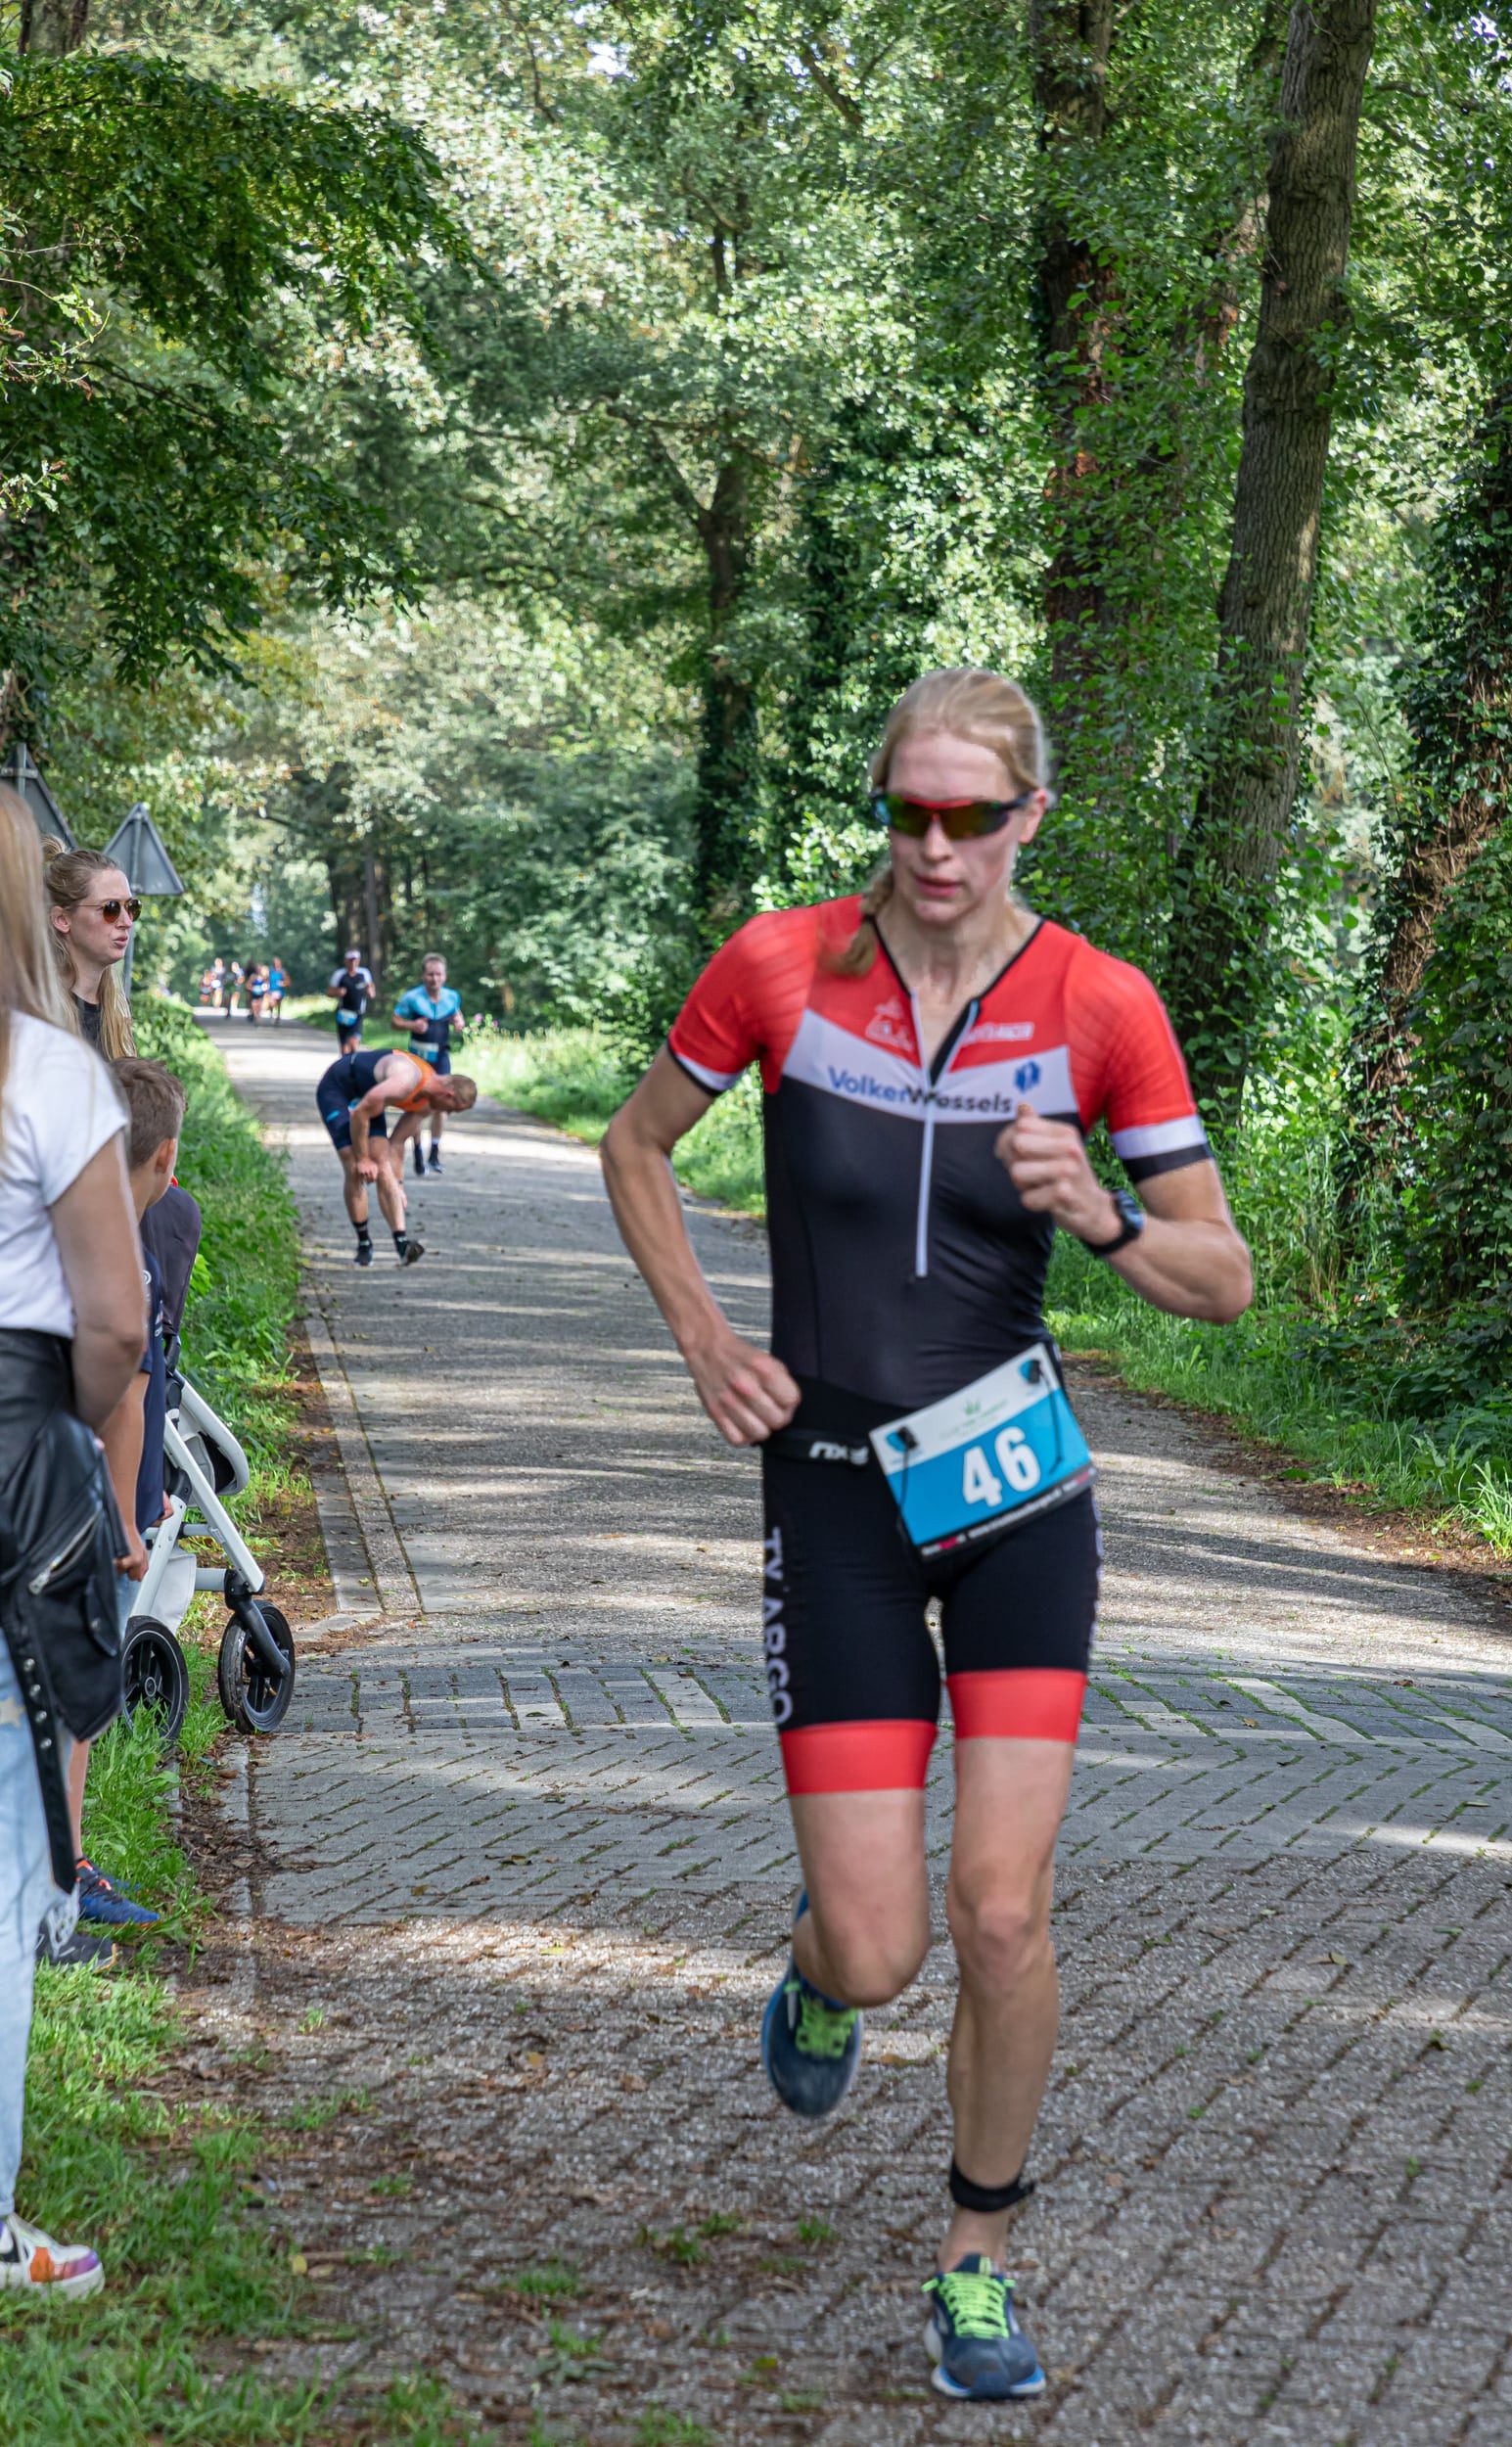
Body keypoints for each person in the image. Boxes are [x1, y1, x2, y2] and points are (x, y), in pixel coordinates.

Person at [599, 668, 1253, 2404]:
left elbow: (1221, 1277)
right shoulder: (780, 968)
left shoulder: (1101, 1005)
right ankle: (816, 1982)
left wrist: (1101, 1212)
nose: (939, 846)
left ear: (1032, 815)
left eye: (975, 815)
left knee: (1003, 1913)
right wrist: (703, 1337)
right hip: (833, 1492)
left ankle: (977, 2253)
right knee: (882, 1944)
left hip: (1017, 1496)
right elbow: (638, 1145)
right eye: (912, 811)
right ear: (883, 810)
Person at [0, 783, 146, 2294]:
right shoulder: (46, 1074)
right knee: (0, 1850)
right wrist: (65, 1420)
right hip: (8, 1440)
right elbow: (111, 1319)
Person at [73, 1059, 189, 1934]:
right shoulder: (126, 1252)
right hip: (85, 1518)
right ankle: (61, 1882)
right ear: (167, 1156)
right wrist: (122, 1525)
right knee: (71, 1709)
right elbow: (125, 1399)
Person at [314, 1041, 477, 1267]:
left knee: (381, 1163)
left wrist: (397, 1184)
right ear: (449, 1095)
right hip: (339, 1088)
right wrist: (363, 1158)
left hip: (369, 1098)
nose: (445, 1113)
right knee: (353, 1164)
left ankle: (402, 1243)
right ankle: (364, 1243)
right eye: (450, 1109)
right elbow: (360, 1113)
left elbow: (397, 1144)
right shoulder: (406, 1080)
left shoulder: (428, 1104)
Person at [43, 841, 138, 1057]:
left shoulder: (116, 1013)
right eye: (111, 908)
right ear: (62, 919)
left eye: (132, 907)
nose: (127, 921)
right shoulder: (36, 1015)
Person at [391, 951, 465, 1177]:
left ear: (445, 976)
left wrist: (459, 1022)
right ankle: (417, 1150)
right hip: (418, 1059)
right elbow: (395, 1022)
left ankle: (434, 1152)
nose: (435, 979)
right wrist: (412, 1025)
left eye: (439, 975)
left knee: (442, 1104)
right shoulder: (412, 998)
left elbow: (457, 1015)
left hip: (441, 1056)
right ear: (423, 976)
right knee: (418, 1106)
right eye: (430, 974)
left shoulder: (452, 997)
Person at [326, 947, 375, 1048]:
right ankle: (346, 1062)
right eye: (350, 960)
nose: (353, 963)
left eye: (355, 960)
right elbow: (329, 992)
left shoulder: (364, 973)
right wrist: (338, 992)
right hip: (343, 1013)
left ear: (359, 961)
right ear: (346, 961)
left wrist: (370, 992)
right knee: (345, 1048)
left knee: (354, 1043)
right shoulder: (339, 974)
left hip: (358, 1014)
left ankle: (353, 1063)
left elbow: (371, 989)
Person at [266, 955, 287, 1023]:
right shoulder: (271, 971)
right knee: (271, 1002)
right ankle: (271, 1014)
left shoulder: (282, 971)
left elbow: (287, 980)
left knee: (278, 1003)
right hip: (271, 989)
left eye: (277, 962)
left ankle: (278, 1016)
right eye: (275, 962)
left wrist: (283, 983)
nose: (276, 964)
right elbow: (268, 979)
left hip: (279, 990)